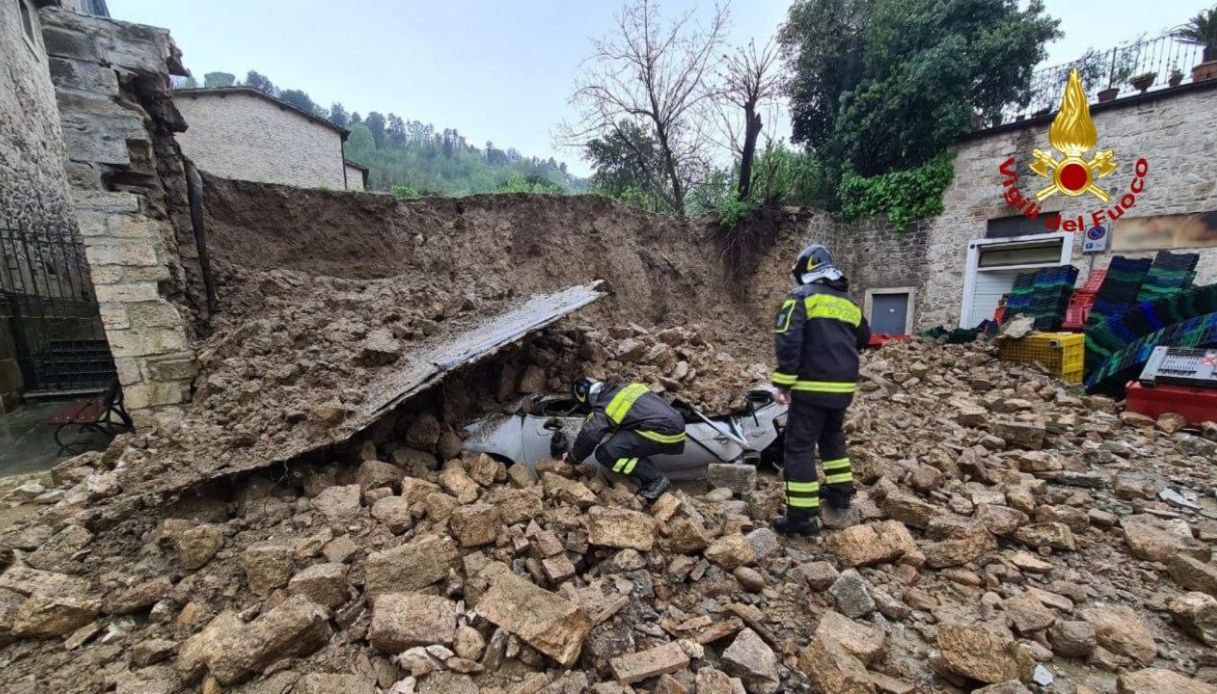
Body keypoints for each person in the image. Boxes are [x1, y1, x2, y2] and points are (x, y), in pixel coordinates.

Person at [770, 244, 871, 536]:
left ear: (807, 270)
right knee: (831, 437)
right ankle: (840, 492)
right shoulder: (849, 304)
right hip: (843, 387)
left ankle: (801, 517)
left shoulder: (800, 297)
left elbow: (788, 339)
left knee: (798, 447)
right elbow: (865, 337)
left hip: (811, 386)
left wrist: (784, 381)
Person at [561, 377, 682, 502]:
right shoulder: (623, 387)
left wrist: (573, 457)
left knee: (605, 453)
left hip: (662, 431)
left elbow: (591, 434)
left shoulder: (604, 406)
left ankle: (655, 479)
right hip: (675, 422)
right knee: (620, 443)